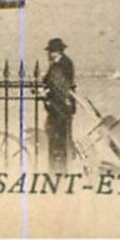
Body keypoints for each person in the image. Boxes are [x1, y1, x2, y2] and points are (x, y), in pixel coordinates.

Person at [41, 38, 76, 173]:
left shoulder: (62, 65)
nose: (49, 54)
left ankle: (58, 169)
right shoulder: (60, 63)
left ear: (57, 52)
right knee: (58, 138)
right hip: (59, 108)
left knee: (59, 139)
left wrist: (46, 92)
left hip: (60, 108)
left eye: (51, 51)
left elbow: (59, 86)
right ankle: (58, 167)